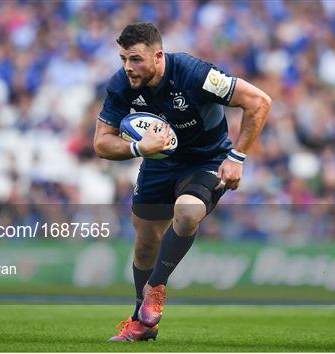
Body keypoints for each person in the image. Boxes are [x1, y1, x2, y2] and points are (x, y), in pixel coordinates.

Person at [94, 23, 271, 342]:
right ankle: (143, 324)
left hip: (207, 159)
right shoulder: (122, 85)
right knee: (146, 238)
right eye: (123, 59)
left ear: (158, 55)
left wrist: (237, 157)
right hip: (159, 163)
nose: (128, 68)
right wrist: (138, 148)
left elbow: (259, 101)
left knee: (187, 211)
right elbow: (101, 143)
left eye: (135, 59)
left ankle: (155, 287)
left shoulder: (195, 74)